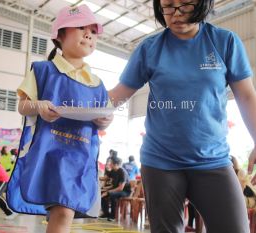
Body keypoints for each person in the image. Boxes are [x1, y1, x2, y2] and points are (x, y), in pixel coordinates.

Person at [108, 0, 256, 232]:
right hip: (160, 162)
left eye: (185, 4)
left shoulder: (224, 42)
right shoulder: (150, 48)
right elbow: (117, 95)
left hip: (212, 160)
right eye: (168, 6)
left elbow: (247, 96)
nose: (176, 13)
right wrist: (82, 108)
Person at [6, 4, 113, 233]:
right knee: (63, 211)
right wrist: (39, 105)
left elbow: (106, 116)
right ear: (60, 35)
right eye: (80, 27)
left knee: (65, 212)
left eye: (93, 32)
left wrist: (104, 121)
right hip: (50, 151)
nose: (89, 35)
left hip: (81, 155)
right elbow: (22, 106)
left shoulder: (98, 83)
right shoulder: (43, 70)